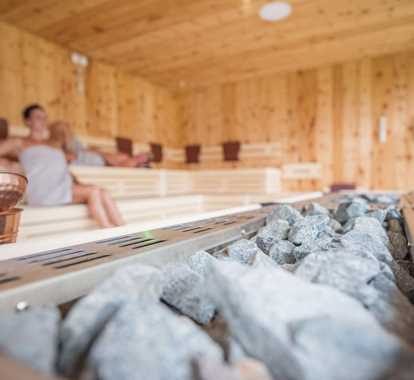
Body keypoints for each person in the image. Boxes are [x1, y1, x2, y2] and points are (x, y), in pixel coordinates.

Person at [0, 104, 124, 228]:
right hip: (43, 190)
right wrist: (9, 164)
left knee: (103, 192)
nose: (43, 121)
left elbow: (62, 168)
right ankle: (108, 230)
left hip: (61, 185)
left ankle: (122, 229)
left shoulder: (53, 144)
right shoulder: (19, 142)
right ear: (27, 121)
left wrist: (77, 182)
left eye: (44, 118)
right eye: (38, 117)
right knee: (94, 192)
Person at [49, 121, 151, 168]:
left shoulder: (132, 162)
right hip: (90, 155)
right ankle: (51, 146)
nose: (141, 154)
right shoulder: (128, 157)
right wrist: (96, 150)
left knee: (63, 129)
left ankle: (52, 152)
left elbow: (114, 167)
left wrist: (98, 153)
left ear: (144, 161)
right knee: (65, 129)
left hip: (95, 160)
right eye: (143, 152)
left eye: (144, 155)